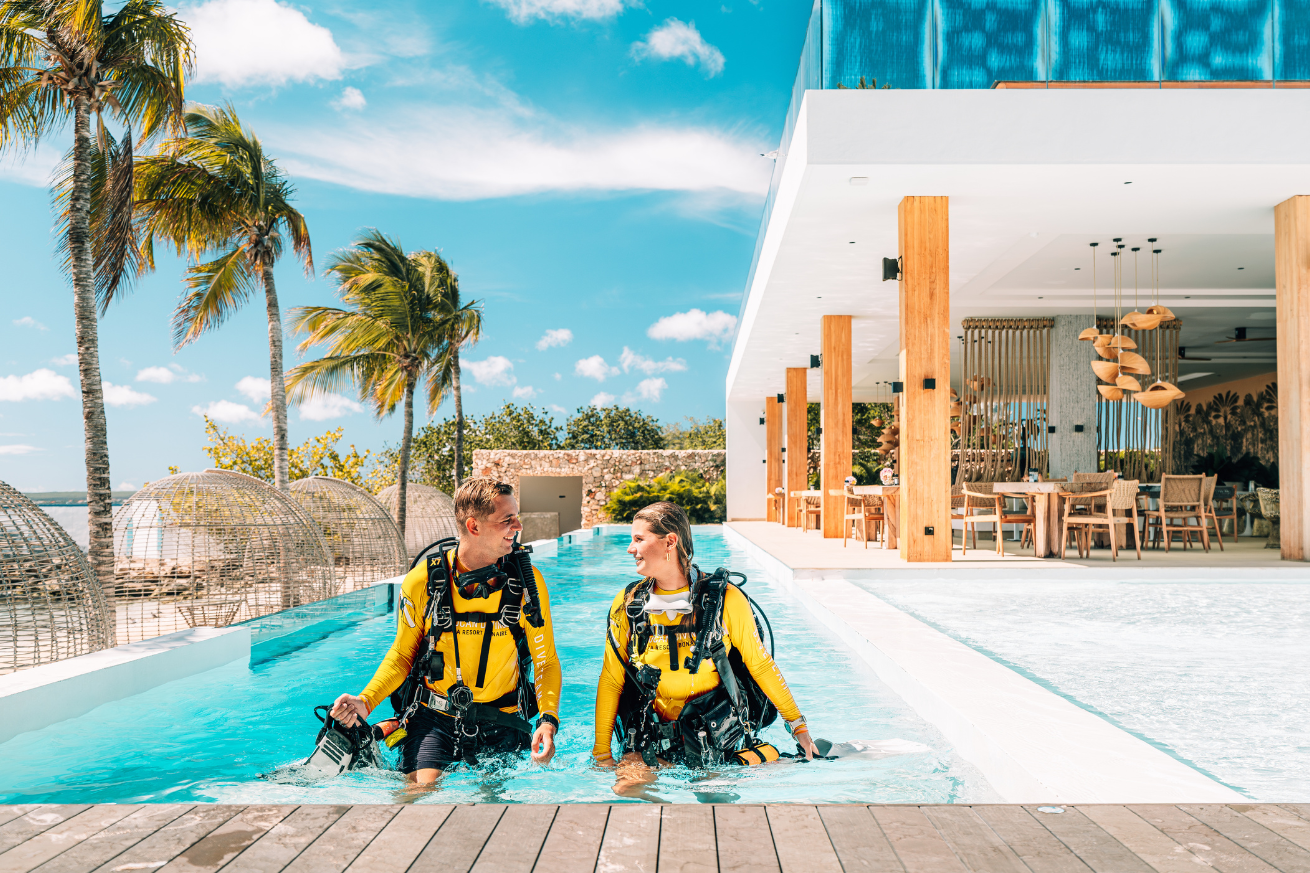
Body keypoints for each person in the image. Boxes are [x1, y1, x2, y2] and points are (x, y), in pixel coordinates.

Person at [330, 477, 561, 787]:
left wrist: (547, 721)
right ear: (474, 526)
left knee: (497, 807)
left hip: (504, 719)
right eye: (507, 519)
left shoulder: (528, 583)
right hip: (434, 719)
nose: (518, 526)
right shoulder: (422, 581)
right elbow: (402, 655)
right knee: (416, 795)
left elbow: (544, 660)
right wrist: (365, 702)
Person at [592, 501, 818, 794]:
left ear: (669, 542)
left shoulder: (727, 600)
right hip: (652, 735)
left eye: (638, 539)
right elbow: (612, 678)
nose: (630, 549)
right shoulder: (628, 604)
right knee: (627, 790)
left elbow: (760, 665)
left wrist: (798, 727)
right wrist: (601, 752)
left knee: (712, 795)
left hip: (712, 737)